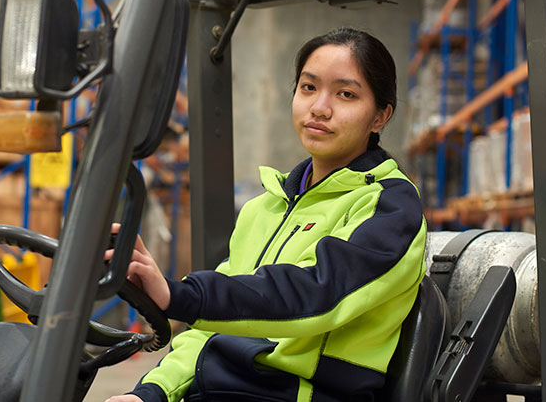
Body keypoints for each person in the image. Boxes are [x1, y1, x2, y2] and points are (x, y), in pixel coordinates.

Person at [106, 27, 427, 402]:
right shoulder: (265, 208)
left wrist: (181, 296)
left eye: (345, 94)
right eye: (308, 88)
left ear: (379, 116)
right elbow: (210, 329)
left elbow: (315, 296)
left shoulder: (389, 208)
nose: (319, 107)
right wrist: (151, 393)